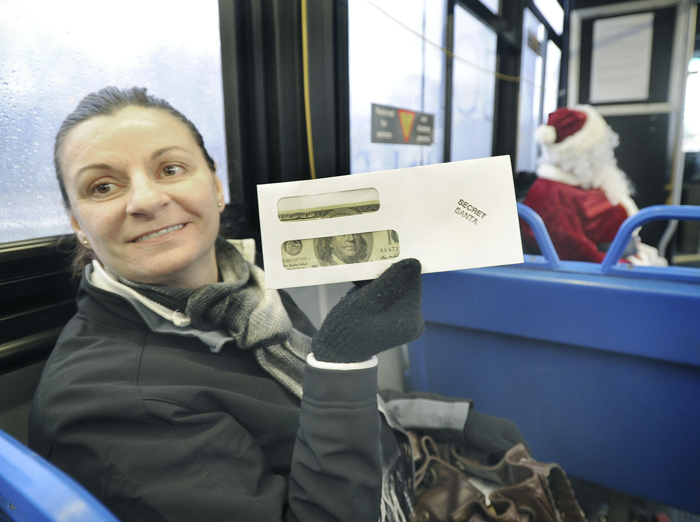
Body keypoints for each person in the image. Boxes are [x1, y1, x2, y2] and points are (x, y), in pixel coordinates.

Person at [29, 86, 527, 522]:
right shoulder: (108, 402)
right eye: (103, 186)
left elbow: (304, 412)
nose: (145, 199)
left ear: (217, 186)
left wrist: (448, 417)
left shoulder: (248, 294)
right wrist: (344, 364)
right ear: (77, 223)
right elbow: (324, 406)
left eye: (171, 168)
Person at [522, 105, 667, 265]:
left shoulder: (581, 180)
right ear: (583, 152)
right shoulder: (551, 193)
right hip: (606, 268)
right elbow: (575, 253)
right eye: (599, 147)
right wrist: (626, 267)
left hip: (622, 255)